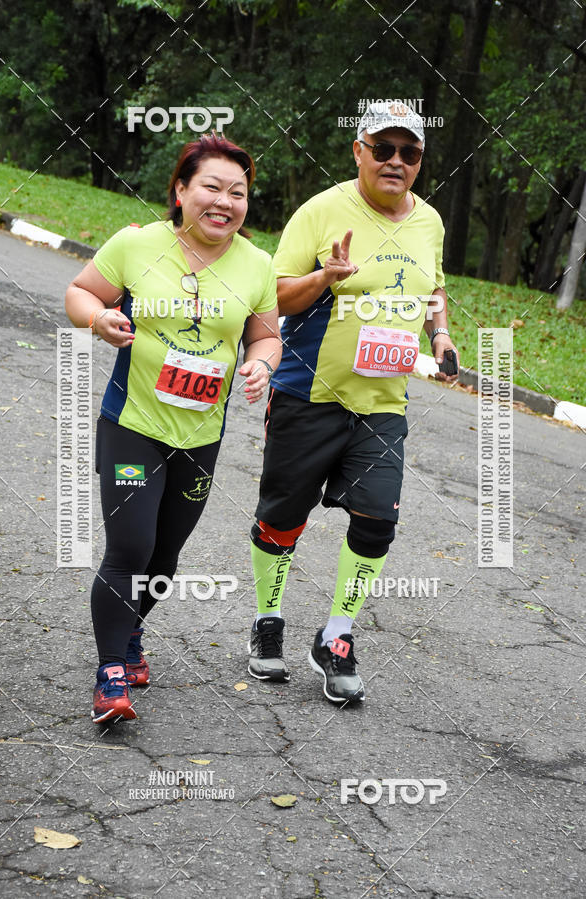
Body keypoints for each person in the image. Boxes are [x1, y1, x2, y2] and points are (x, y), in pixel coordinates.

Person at [247, 101, 458, 704]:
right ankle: (268, 622)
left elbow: (433, 287)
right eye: (383, 148)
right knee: (283, 517)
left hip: (383, 404)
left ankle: (336, 635)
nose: (396, 161)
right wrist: (325, 279)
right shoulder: (320, 210)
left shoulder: (430, 222)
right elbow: (276, 298)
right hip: (307, 394)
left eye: (409, 152)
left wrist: (439, 332)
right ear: (358, 150)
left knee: (377, 520)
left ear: (419, 161)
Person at [66, 134, 281, 723]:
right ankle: (111, 673)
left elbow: (265, 334)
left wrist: (260, 363)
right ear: (181, 190)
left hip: (199, 438)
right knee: (130, 545)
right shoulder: (138, 245)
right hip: (133, 425)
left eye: (238, 192)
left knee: (164, 557)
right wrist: (100, 318)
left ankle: (132, 631)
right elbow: (81, 291)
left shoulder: (258, 265)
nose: (225, 201)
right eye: (212, 186)